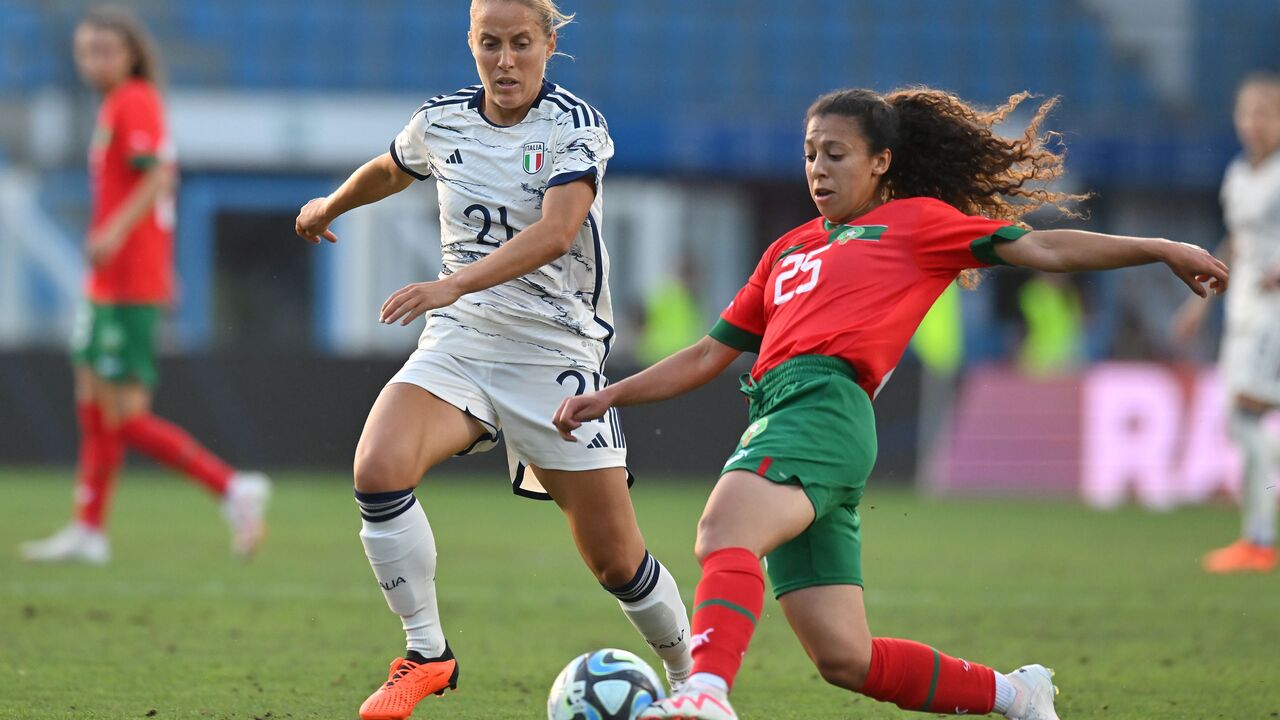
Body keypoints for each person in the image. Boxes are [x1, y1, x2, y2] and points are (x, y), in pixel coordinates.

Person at [555, 87, 1229, 720]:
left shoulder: (918, 224)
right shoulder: (787, 249)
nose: (818, 169)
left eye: (836, 154)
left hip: (824, 407)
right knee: (845, 658)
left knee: (722, 533)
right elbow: (708, 355)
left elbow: (1045, 247)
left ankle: (705, 695)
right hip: (785, 414)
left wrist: (1160, 247)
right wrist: (611, 394)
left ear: (882, 162)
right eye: (810, 154)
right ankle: (1017, 695)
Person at [293, 2, 692, 718]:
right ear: (470, 45)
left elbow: (556, 231)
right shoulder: (442, 119)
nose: (505, 61)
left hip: (553, 353)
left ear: (548, 44)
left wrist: (449, 282)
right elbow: (392, 167)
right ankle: (426, 654)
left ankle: (695, 679)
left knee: (616, 561)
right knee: (378, 468)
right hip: (463, 341)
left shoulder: (574, 125)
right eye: (489, 45)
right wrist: (330, 206)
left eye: (519, 44)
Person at [21, 5, 269, 566]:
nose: (93, 61)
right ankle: (89, 528)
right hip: (112, 279)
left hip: (127, 281)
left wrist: (114, 233)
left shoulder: (134, 100)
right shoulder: (117, 103)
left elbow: (158, 175)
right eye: (86, 51)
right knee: (91, 398)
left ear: (131, 54)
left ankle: (231, 487)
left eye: (105, 50)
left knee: (124, 414)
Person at [1175, 72, 1280, 574]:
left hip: (1275, 311)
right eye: (1248, 112)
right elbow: (1237, 242)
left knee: (1245, 416)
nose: (1255, 123)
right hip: (1244, 312)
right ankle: (1255, 539)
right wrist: (1201, 303)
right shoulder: (1239, 175)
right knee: (1241, 421)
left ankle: (1259, 540)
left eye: (1266, 113)